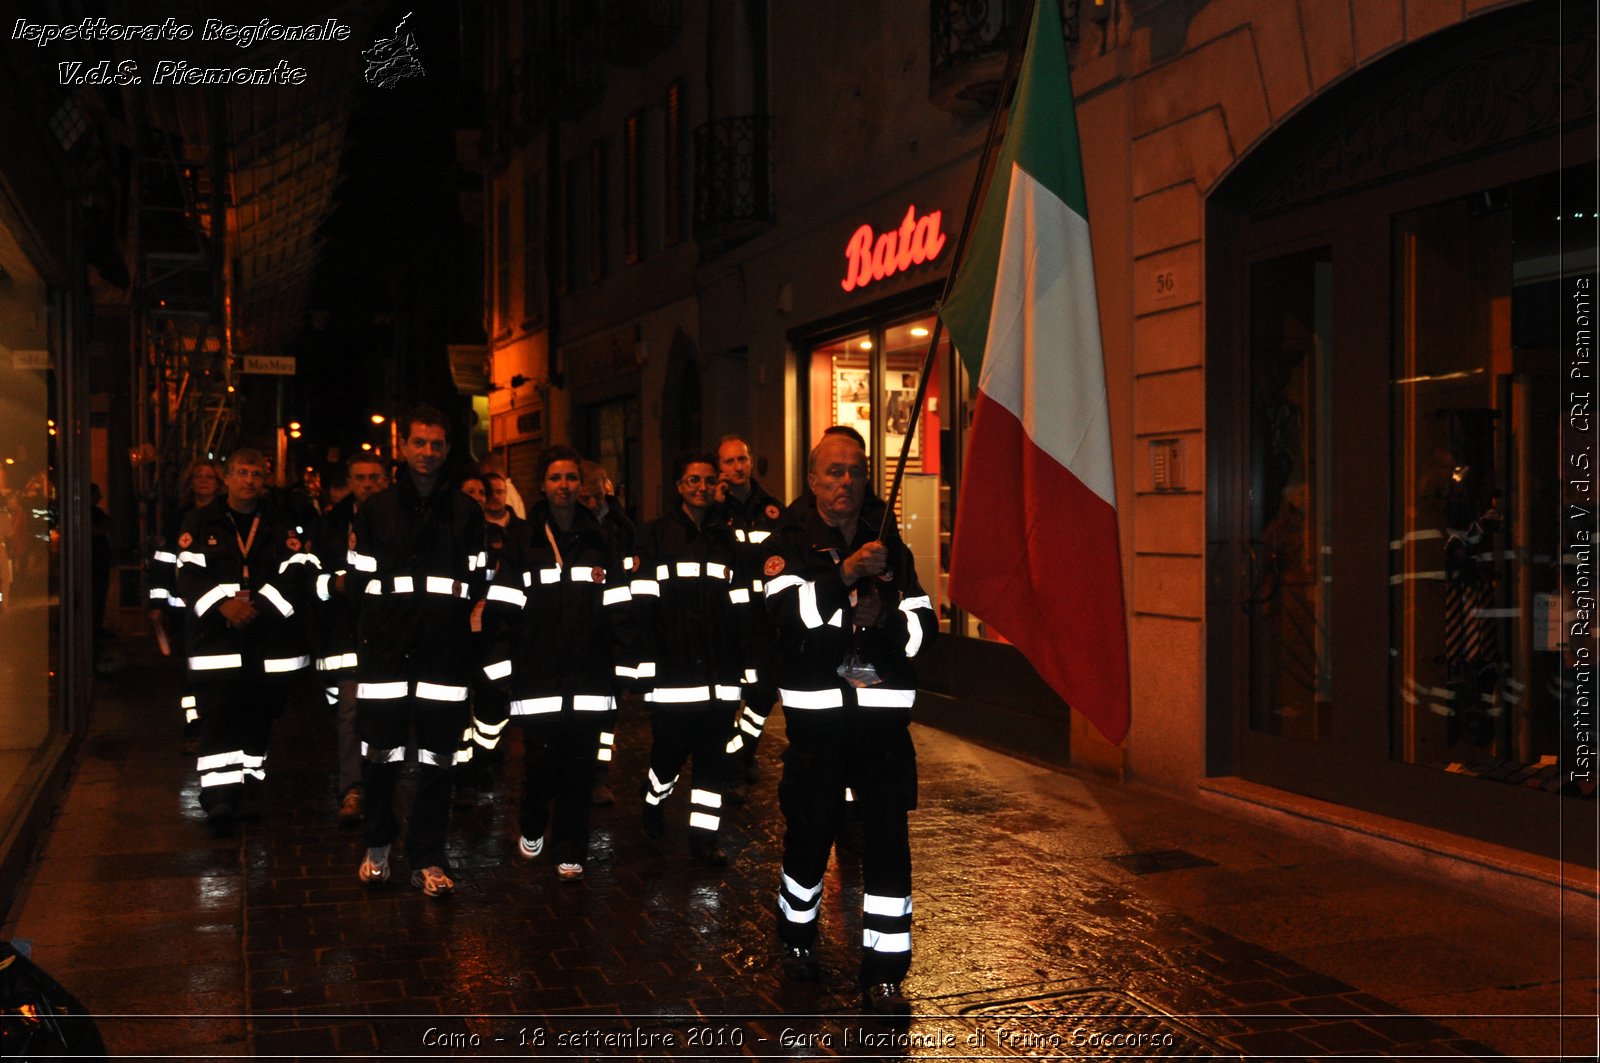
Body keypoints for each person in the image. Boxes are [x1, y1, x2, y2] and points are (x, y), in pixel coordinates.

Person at [761, 431, 935, 1016]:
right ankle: (796, 938)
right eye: (834, 473)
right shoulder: (786, 543)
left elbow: (921, 633)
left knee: (888, 848)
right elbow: (787, 615)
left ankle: (884, 973)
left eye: (856, 473)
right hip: (819, 734)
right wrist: (843, 578)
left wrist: (884, 617)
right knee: (809, 840)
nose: (846, 483)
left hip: (883, 735)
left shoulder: (893, 547)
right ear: (812, 481)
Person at [346, 405, 486, 898]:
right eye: (419, 443)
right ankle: (378, 845)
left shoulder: (467, 513)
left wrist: (456, 633)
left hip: (443, 654)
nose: (428, 452)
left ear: (448, 450)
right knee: (379, 755)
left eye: (437, 444)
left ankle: (428, 856)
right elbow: (359, 581)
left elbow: (476, 580)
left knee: (439, 758)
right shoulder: (373, 509)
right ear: (402, 447)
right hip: (386, 652)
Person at [480, 445, 632, 881]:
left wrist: (625, 664)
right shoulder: (522, 540)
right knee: (542, 765)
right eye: (555, 478)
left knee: (580, 767)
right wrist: (502, 667)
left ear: (581, 485)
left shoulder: (602, 539)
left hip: (590, 674)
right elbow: (502, 607)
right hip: (538, 676)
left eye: (570, 477)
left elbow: (619, 605)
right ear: (542, 486)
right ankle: (532, 821)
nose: (564, 486)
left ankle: (571, 846)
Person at [175, 448, 316, 835]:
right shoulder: (201, 521)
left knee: (258, 720)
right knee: (218, 719)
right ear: (227, 476)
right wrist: (223, 606)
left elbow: (298, 570)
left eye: (256, 474)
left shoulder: (280, 523)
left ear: (265, 479)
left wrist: (261, 607)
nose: (249, 480)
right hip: (216, 641)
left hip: (266, 641)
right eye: (241, 472)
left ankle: (250, 789)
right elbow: (186, 574)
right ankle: (218, 797)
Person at [631, 451, 753, 867]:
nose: (701, 488)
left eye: (707, 481)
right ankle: (654, 799)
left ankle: (705, 839)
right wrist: (646, 665)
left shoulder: (727, 541)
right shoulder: (655, 536)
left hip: (719, 673)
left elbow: (741, 606)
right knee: (667, 754)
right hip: (673, 672)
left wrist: (744, 662)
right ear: (679, 487)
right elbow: (642, 605)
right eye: (692, 481)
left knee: (711, 765)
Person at [311, 453, 390, 826]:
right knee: (349, 713)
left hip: (390, 629)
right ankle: (353, 789)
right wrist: (335, 584)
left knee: (387, 714)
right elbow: (311, 575)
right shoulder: (331, 523)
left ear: (386, 479)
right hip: (345, 629)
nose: (368, 484)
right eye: (360, 478)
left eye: (374, 477)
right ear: (350, 480)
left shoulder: (400, 516)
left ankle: (380, 785)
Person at [713, 434, 785, 796]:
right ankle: (730, 770)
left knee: (762, 693)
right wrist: (715, 508)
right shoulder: (712, 510)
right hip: (723, 620)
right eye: (729, 462)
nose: (737, 468)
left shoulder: (772, 509)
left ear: (751, 461)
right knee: (728, 697)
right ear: (719, 467)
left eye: (742, 459)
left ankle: (742, 751)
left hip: (761, 619)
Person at [148, 458, 224, 747]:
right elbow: (163, 563)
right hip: (185, 610)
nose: (204, 481)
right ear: (190, 483)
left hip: (219, 608)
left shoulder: (227, 517)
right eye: (199, 476)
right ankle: (194, 722)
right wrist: (157, 604)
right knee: (189, 670)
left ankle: (217, 720)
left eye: (210, 477)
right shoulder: (178, 519)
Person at [457, 468, 522, 788]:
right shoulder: (455, 532)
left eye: (481, 493)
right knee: (459, 698)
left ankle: (487, 757)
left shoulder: (511, 534)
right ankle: (464, 768)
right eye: (469, 492)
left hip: (495, 630)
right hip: (459, 628)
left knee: (492, 697)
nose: (478, 498)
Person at [578, 459, 637, 807]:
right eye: (587, 497)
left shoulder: (622, 526)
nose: (593, 503)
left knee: (607, 709)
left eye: (597, 496)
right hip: (579, 628)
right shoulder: (567, 527)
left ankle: (600, 773)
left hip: (609, 629)